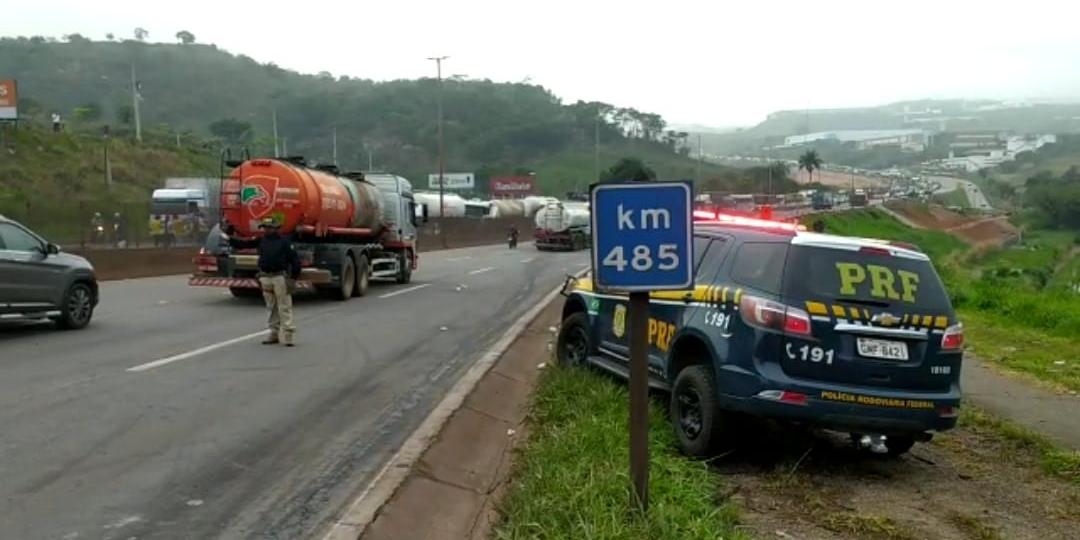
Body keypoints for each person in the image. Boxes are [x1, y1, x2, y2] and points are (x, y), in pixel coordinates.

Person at [226, 217, 300, 346]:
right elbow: (244, 244)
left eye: (269, 227)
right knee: (271, 307)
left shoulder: (285, 242)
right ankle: (273, 333)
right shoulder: (261, 240)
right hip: (265, 277)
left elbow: (295, 261)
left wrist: (293, 279)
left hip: (280, 277)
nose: (266, 230)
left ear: (276, 228)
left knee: (284, 306)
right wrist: (229, 238)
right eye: (265, 227)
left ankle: (288, 334)